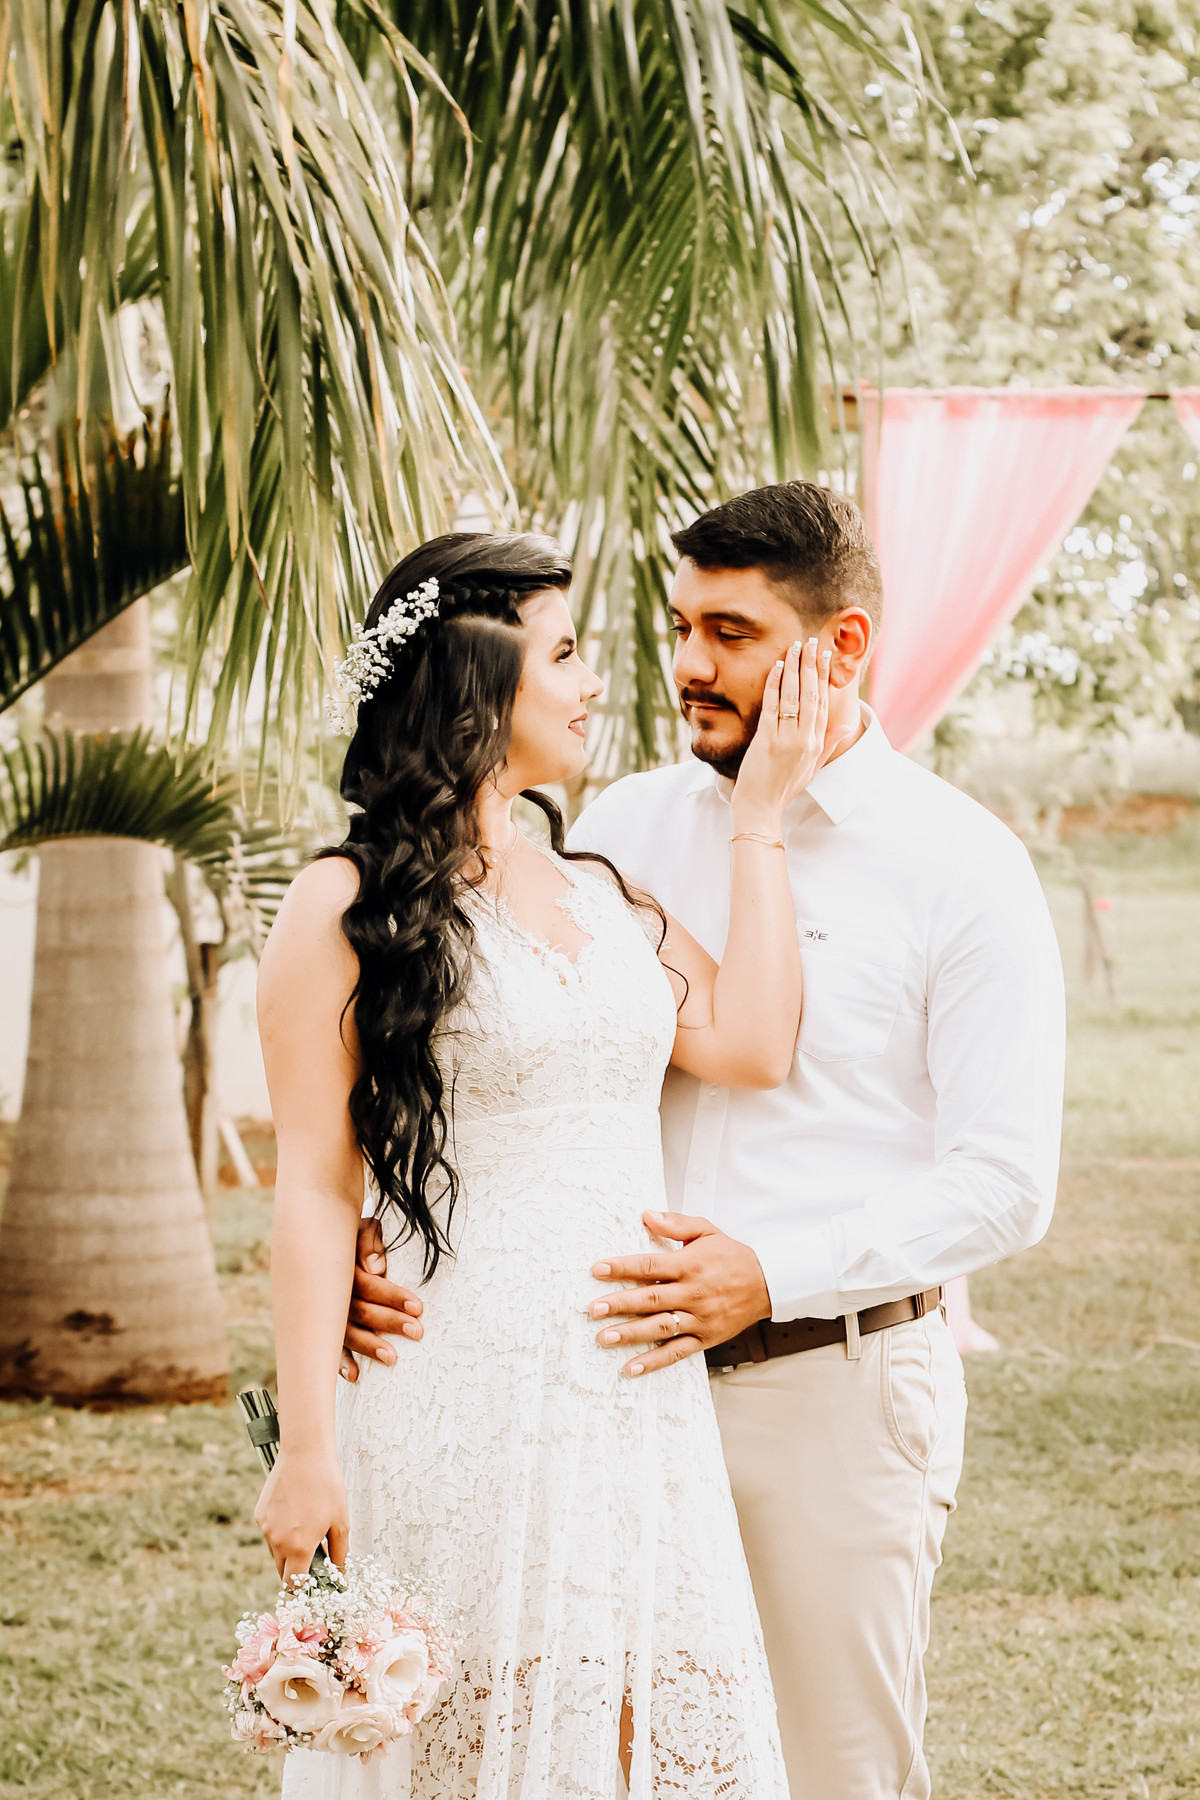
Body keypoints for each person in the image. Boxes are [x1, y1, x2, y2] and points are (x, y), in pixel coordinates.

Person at [347, 486, 1067, 1799]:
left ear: (843, 646)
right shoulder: (615, 827)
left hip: (827, 1389)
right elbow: (488, 1048)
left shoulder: (962, 865)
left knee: (831, 1772)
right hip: (596, 1398)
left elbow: (1008, 1184)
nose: (687, 664)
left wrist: (770, 1274)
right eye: (679, 625)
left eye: (731, 634)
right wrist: (375, 1236)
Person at [254, 530, 835, 1799]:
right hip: (456, 1392)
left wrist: (761, 822)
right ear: (476, 679)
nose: (593, 682)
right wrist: (308, 1448)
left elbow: (752, 1040)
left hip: (631, 1398)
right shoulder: (341, 907)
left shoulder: (604, 895)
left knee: (641, 1734)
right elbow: (313, 1187)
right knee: (467, 1744)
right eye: (565, 654)